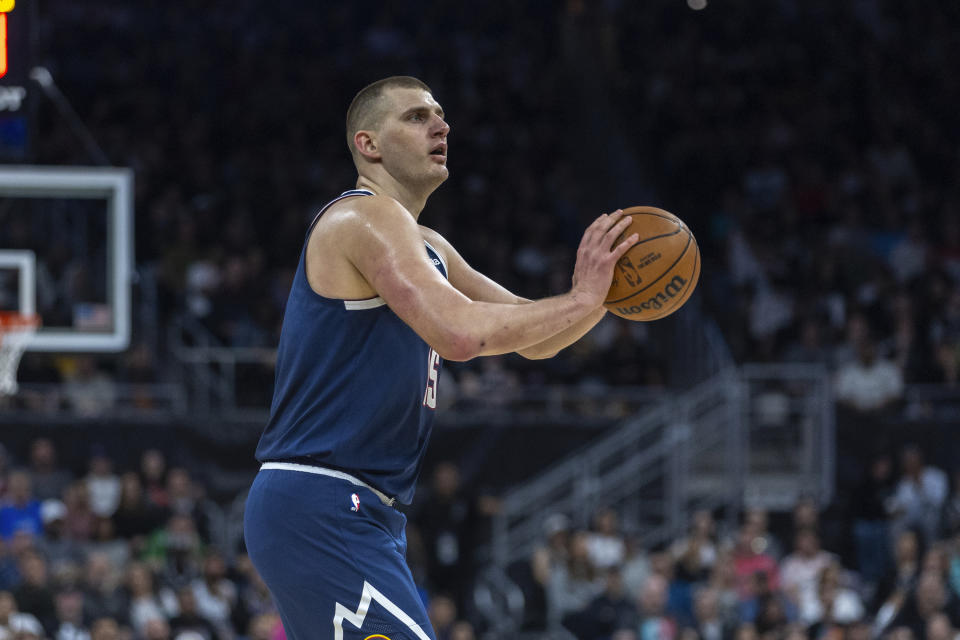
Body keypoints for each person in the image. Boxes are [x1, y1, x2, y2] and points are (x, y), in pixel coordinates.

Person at [243, 75, 639, 640]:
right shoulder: (362, 218)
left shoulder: (429, 245)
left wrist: (605, 296)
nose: (441, 126)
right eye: (416, 116)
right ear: (368, 144)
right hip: (322, 499)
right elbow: (459, 334)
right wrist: (581, 298)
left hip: (359, 511)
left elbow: (537, 338)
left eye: (441, 114)